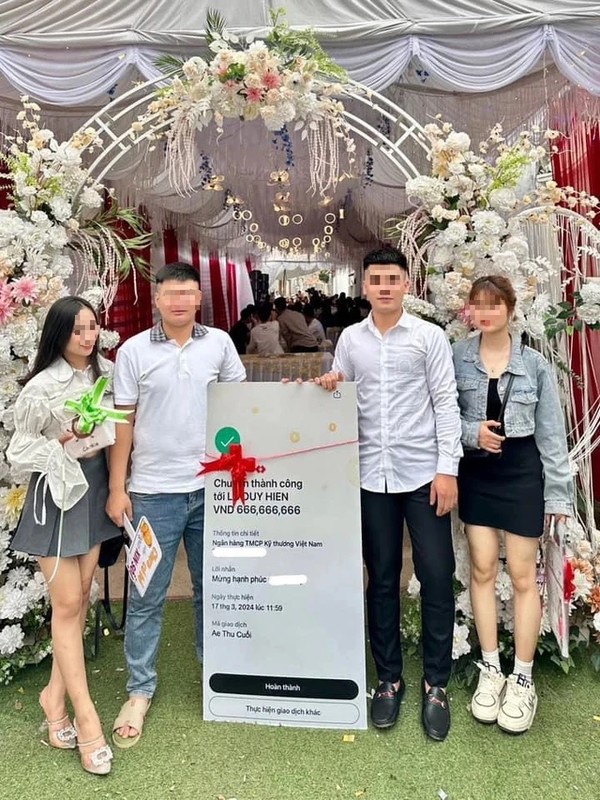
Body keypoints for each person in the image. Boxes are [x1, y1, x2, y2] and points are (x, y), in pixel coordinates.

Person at [316, 247, 462, 741]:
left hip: (422, 475)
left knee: (436, 575)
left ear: (406, 284)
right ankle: (389, 679)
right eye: (375, 279)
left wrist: (447, 470)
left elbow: (446, 404)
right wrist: (330, 384)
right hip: (369, 477)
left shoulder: (428, 337)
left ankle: (436, 683)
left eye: (392, 279)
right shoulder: (350, 340)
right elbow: (341, 393)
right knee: (381, 578)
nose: (384, 287)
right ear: (364, 286)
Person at [106, 262, 246, 748]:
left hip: (212, 491)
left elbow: (240, 407)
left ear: (199, 298)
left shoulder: (220, 344)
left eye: (188, 293)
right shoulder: (133, 351)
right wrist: (118, 487)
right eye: (171, 293)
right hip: (152, 492)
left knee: (216, 588)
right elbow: (122, 422)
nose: (180, 301)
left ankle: (217, 675)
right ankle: (139, 689)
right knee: (146, 594)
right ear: (157, 299)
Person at [453, 275, 573, 734]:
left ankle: (522, 678)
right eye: (478, 305)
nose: (485, 313)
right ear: (469, 310)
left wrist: (558, 494)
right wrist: (472, 433)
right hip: (477, 473)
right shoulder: (457, 356)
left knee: (524, 575)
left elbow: (551, 435)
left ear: (510, 308)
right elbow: (441, 413)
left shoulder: (535, 364)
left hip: (522, 473)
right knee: (482, 568)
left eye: (494, 305)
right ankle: (491, 669)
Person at [7, 296, 118, 775]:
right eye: (77, 330)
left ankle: (53, 698)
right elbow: (17, 451)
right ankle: (87, 720)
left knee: (81, 599)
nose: (88, 337)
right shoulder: (41, 386)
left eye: (92, 327)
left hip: (95, 490)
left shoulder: (106, 374)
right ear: (59, 334)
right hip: (56, 493)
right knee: (68, 603)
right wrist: (63, 438)